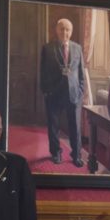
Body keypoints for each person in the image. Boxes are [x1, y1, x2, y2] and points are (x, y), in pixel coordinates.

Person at [40, 18, 85, 167]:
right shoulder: (48, 48)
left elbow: (80, 73)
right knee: (53, 126)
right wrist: (46, 91)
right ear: (56, 30)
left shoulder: (77, 48)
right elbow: (43, 72)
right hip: (54, 93)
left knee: (75, 127)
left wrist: (80, 91)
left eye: (67, 30)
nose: (64, 32)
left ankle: (76, 155)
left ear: (71, 32)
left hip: (74, 95)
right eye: (62, 29)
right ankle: (56, 153)